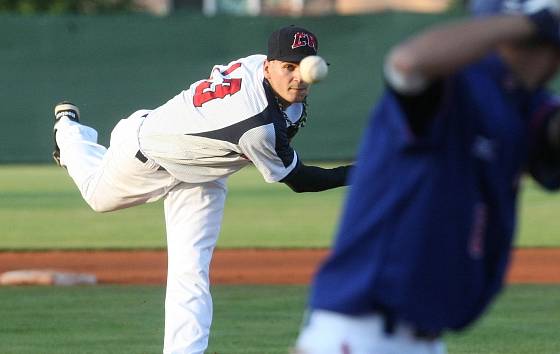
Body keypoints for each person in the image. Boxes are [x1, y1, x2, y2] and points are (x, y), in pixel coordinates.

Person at [295, 1, 560, 353]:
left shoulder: (524, 103)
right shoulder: (456, 85)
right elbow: (406, 64)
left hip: (422, 338)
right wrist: (539, 21)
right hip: (361, 334)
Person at [52, 25, 352, 354]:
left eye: (303, 64)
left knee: (191, 272)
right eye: (288, 67)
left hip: (203, 170)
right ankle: (69, 131)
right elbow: (300, 180)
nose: (298, 76)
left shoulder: (257, 68)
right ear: (268, 66)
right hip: (148, 153)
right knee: (97, 195)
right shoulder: (258, 125)